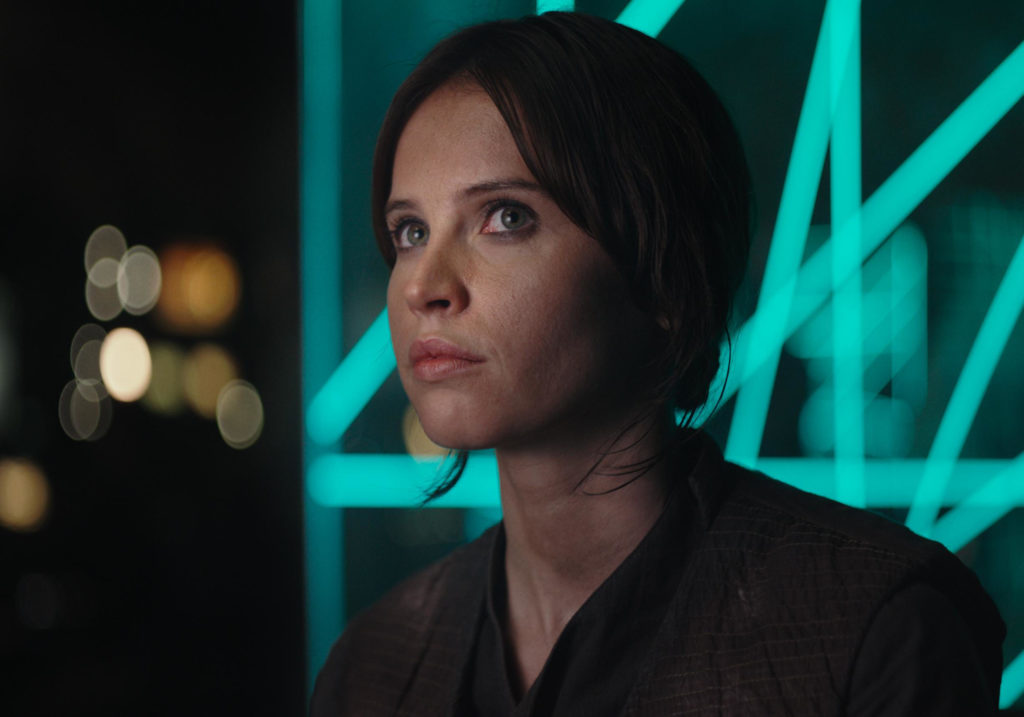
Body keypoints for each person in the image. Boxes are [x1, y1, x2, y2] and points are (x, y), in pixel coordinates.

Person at [311, 11, 1005, 716]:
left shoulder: (874, 631)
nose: (424, 286)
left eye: (506, 217)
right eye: (411, 231)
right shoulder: (374, 664)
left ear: (664, 275)